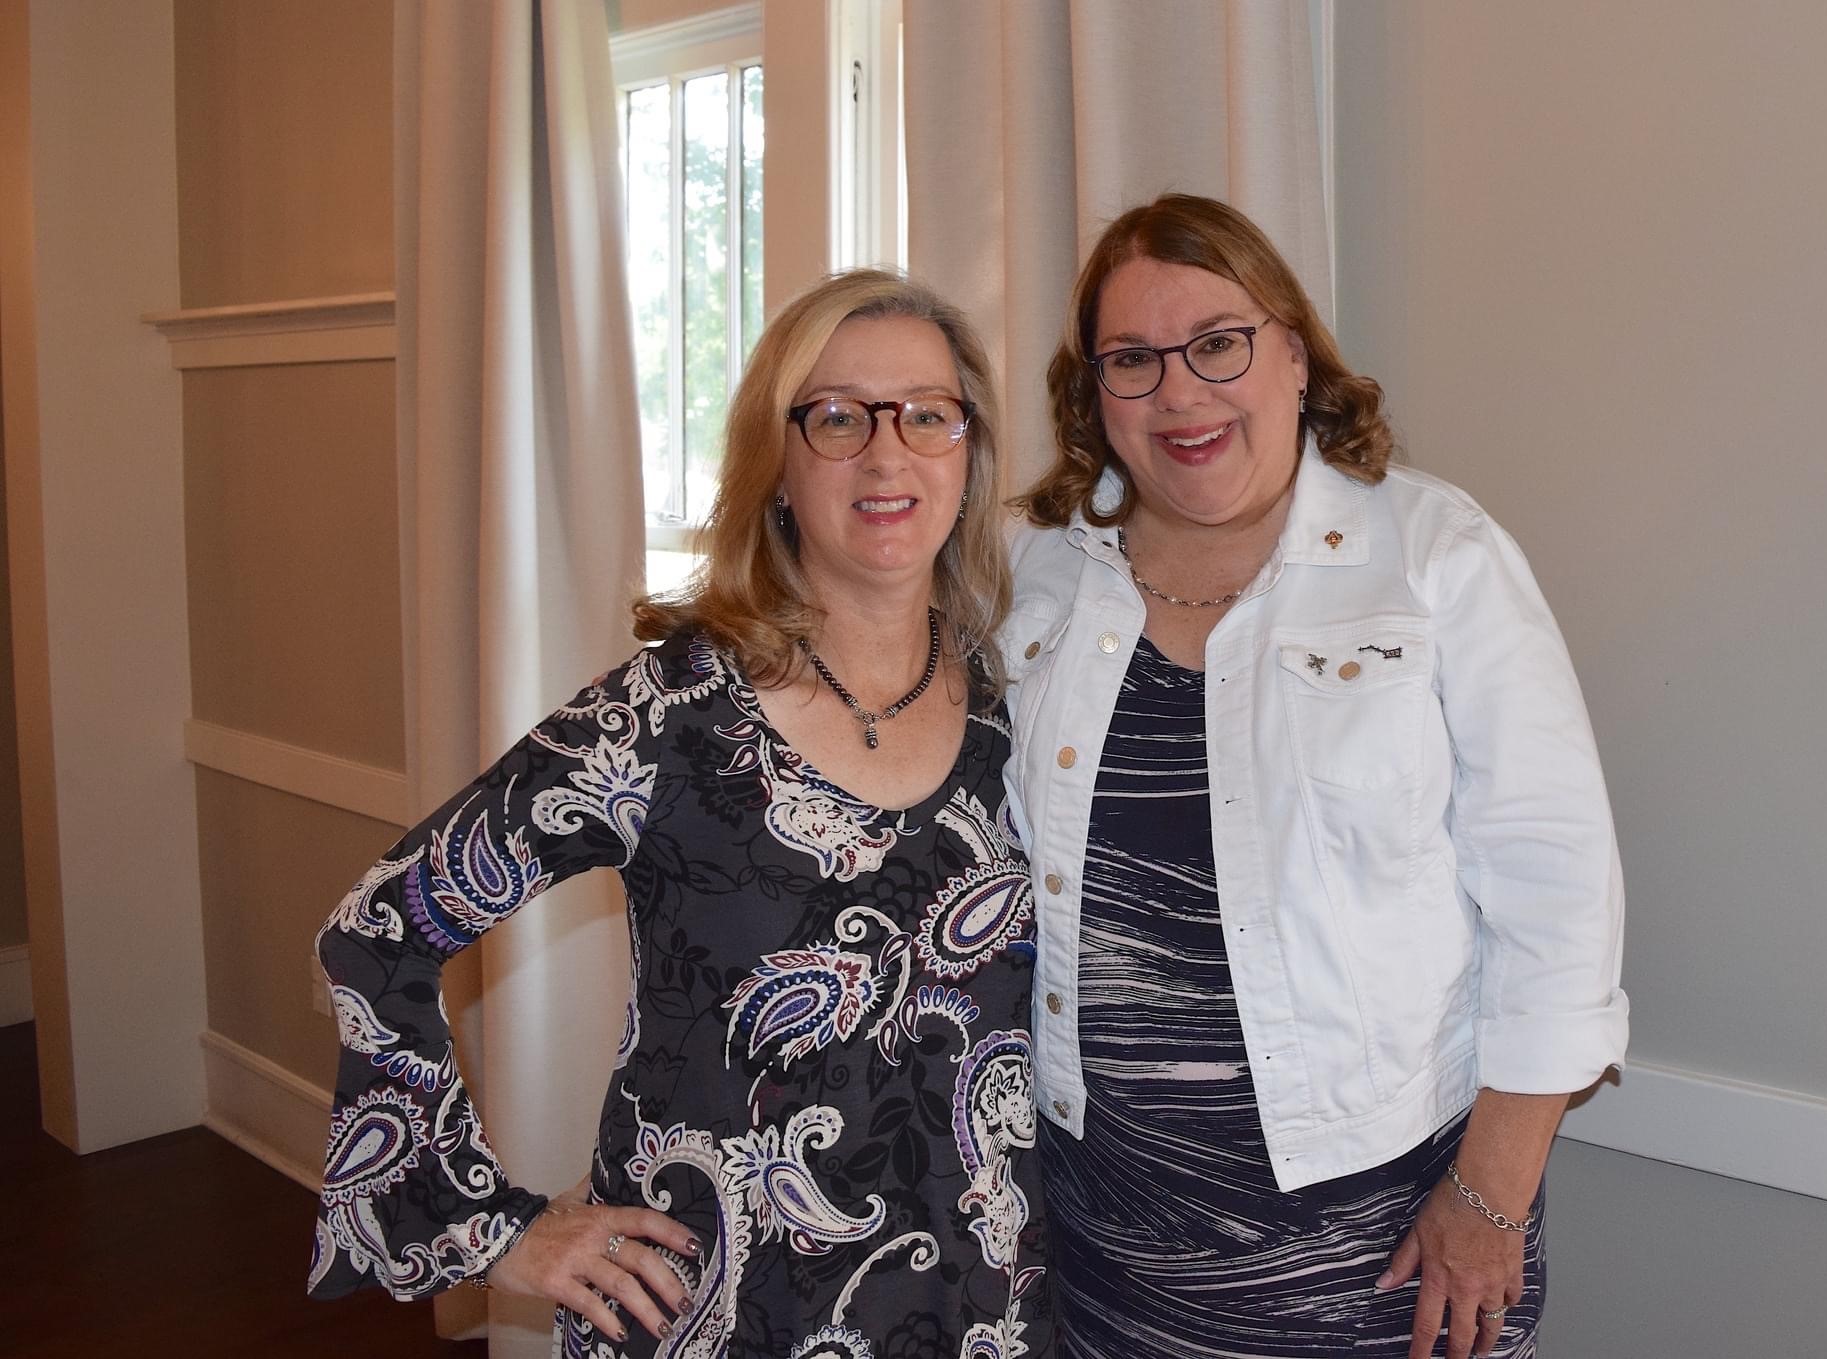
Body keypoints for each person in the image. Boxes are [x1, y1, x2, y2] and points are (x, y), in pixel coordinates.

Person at [310, 270, 1048, 1358]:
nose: (887, 454)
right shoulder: (665, 715)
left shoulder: (1013, 695)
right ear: (776, 462)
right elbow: (376, 934)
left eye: (926, 414)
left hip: (972, 1302)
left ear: (968, 451)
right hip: (715, 1308)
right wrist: (496, 1229)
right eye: (837, 417)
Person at [1000, 194, 1627, 1359]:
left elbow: (1556, 899)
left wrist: (1490, 1201)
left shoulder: (1434, 556)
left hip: (1390, 1235)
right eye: (1131, 359)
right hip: (1104, 1233)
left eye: (1217, 343)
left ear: (1292, 353)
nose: (1178, 392)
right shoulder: (1035, 566)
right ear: (1092, 392)